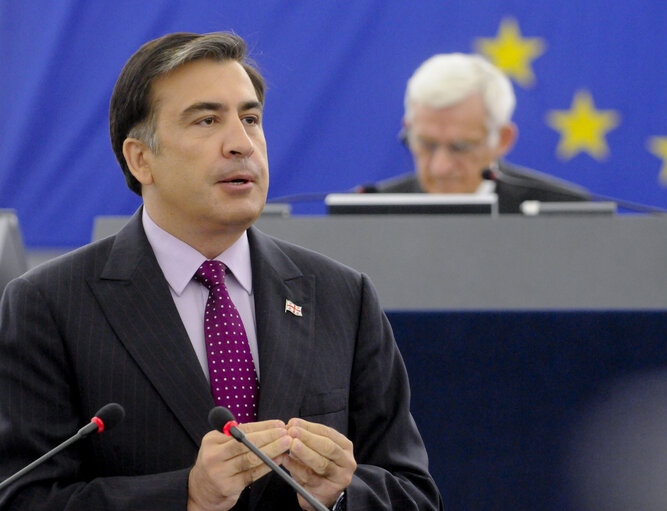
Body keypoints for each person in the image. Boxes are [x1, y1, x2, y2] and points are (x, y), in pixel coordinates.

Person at [0, 32, 442, 511]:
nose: (242, 143)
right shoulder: (50, 304)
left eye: (251, 119)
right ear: (140, 158)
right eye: (207, 120)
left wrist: (340, 496)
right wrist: (186, 496)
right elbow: (23, 498)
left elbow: (415, 494)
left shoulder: (341, 295)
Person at [370, 53, 589, 213]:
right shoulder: (367, 215)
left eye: (460, 147)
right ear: (408, 129)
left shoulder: (563, 212)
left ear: (503, 139)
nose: (441, 167)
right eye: (427, 144)